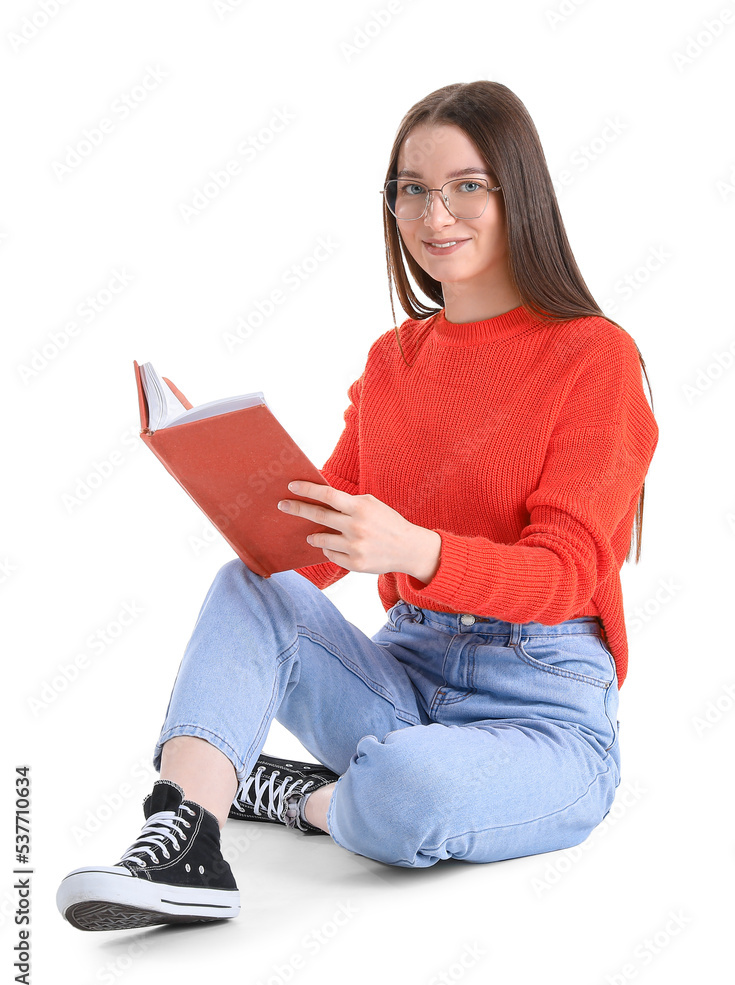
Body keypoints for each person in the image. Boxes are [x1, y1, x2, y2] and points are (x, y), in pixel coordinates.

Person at [56, 80, 659, 932]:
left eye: (465, 185)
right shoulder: (394, 362)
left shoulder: (592, 356)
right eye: (411, 189)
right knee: (249, 583)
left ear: (517, 191)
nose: (433, 213)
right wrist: (223, 470)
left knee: (411, 790)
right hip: (404, 673)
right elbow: (313, 548)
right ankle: (186, 833)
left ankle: (309, 800)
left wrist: (419, 552)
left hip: (543, 709)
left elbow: (565, 576)